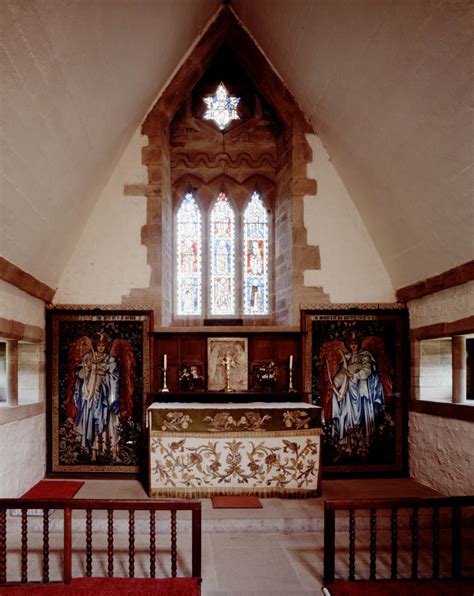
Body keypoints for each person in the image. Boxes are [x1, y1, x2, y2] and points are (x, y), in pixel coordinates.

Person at [72, 332, 120, 461]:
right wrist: (87, 370)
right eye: (98, 345)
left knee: (107, 423)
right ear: (95, 345)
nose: (100, 348)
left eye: (103, 345)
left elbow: (114, 378)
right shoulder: (88, 357)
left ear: (106, 346)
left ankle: (109, 451)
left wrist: (104, 374)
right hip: (91, 396)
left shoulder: (110, 360)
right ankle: (92, 452)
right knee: (91, 422)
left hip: (105, 398)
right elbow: (81, 377)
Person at [331, 330, 385, 441]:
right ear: (347, 344)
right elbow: (342, 374)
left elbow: (367, 370)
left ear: (359, 343)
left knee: (362, 415)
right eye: (351, 342)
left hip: (361, 392)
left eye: (355, 342)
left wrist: (355, 375)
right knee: (347, 413)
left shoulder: (365, 356)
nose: (353, 345)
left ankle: (364, 440)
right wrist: (335, 382)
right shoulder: (346, 358)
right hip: (348, 393)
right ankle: (348, 440)